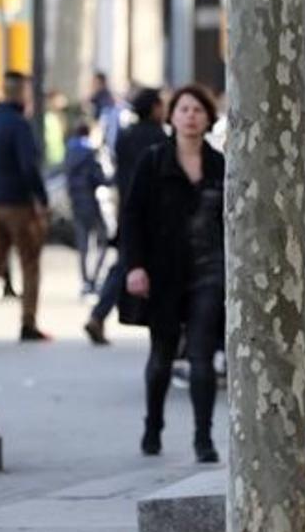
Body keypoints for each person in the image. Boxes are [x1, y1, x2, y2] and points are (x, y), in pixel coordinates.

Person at [122, 85, 224, 462]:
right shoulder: (153, 161)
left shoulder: (220, 165)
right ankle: (153, 426)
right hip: (163, 272)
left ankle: (203, 439)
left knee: (201, 357)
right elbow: (131, 217)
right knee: (162, 355)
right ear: (172, 116)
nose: (191, 115)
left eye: (198, 109)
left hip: (208, 272)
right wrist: (135, 266)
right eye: (184, 109)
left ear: (208, 117)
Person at [85, 89, 167, 345]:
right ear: (154, 108)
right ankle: (99, 315)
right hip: (153, 211)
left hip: (127, 207)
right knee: (129, 265)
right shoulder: (159, 138)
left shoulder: (126, 136)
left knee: (124, 262)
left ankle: (99, 315)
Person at [0, 71, 50, 341]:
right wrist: (41, 199)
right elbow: (28, 166)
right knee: (30, 262)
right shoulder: (19, 125)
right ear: (20, 92)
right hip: (16, 204)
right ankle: (28, 323)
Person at [64, 123, 109, 296]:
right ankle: (94, 279)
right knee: (103, 240)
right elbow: (99, 178)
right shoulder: (90, 152)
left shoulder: (69, 151)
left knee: (83, 243)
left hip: (76, 201)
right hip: (90, 200)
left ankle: (85, 281)